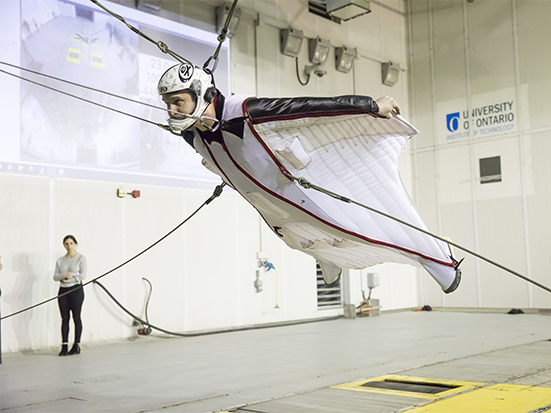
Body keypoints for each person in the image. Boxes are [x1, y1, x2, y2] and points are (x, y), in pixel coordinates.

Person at [157, 63, 461, 293]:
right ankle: (330, 258)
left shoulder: (245, 110)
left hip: (298, 186)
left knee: (359, 225)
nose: (172, 110)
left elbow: (310, 107)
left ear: (202, 94)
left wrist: (371, 105)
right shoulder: (193, 134)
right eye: (168, 104)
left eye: (178, 102)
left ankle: (436, 259)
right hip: (268, 201)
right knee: (296, 238)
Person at [53, 235, 87, 356]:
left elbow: (83, 276)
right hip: (63, 290)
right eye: (66, 244)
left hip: (76, 290)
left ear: (75, 244)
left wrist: (72, 276)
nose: (69, 246)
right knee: (64, 319)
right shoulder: (60, 260)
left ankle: (76, 344)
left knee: (76, 317)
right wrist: (63, 275)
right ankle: (64, 346)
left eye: (71, 243)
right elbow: (55, 277)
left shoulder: (81, 258)